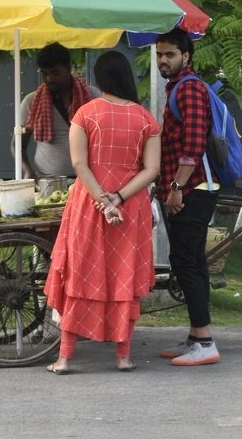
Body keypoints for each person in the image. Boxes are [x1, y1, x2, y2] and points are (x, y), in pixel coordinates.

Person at [43, 50, 161, 374]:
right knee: (124, 276)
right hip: (130, 207)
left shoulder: (85, 114)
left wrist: (102, 200)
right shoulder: (146, 119)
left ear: (99, 78)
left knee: (80, 273)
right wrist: (118, 198)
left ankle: (65, 358)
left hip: (88, 205)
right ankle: (123, 357)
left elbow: (79, 163)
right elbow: (152, 170)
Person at [155, 27, 221, 367]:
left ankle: (205, 341)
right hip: (190, 188)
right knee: (193, 262)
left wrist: (177, 187)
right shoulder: (179, 88)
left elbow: (193, 145)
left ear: (186, 57)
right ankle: (197, 336)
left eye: (170, 55)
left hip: (192, 189)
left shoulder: (190, 89)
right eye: (159, 55)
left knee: (186, 264)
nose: (163, 60)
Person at [18, 43, 99, 179]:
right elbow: (18, 145)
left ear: (68, 68)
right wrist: (28, 171)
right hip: (47, 181)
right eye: (45, 74)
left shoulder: (92, 96)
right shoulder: (30, 101)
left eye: (55, 73)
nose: (49, 79)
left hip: (88, 179)